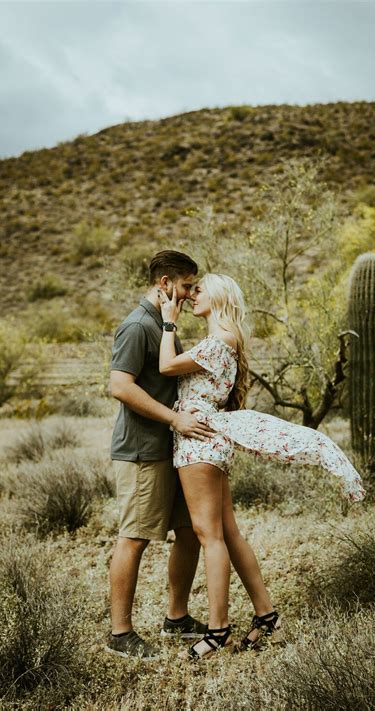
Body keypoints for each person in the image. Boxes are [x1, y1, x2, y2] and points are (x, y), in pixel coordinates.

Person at [158, 273, 366, 660]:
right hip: (209, 440)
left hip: (198, 443)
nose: (191, 295)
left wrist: (169, 320)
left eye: (199, 289)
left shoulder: (219, 341)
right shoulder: (223, 340)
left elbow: (166, 365)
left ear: (219, 297)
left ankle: (218, 630)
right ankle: (267, 615)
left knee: (211, 538)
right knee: (229, 533)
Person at [105, 250, 215, 661]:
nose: (190, 294)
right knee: (134, 538)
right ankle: (120, 634)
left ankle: (176, 618)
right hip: (142, 452)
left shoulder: (164, 324)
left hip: (174, 449)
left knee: (189, 532)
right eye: (186, 285)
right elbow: (120, 386)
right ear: (165, 283)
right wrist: (175, 419)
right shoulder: (136, 326)